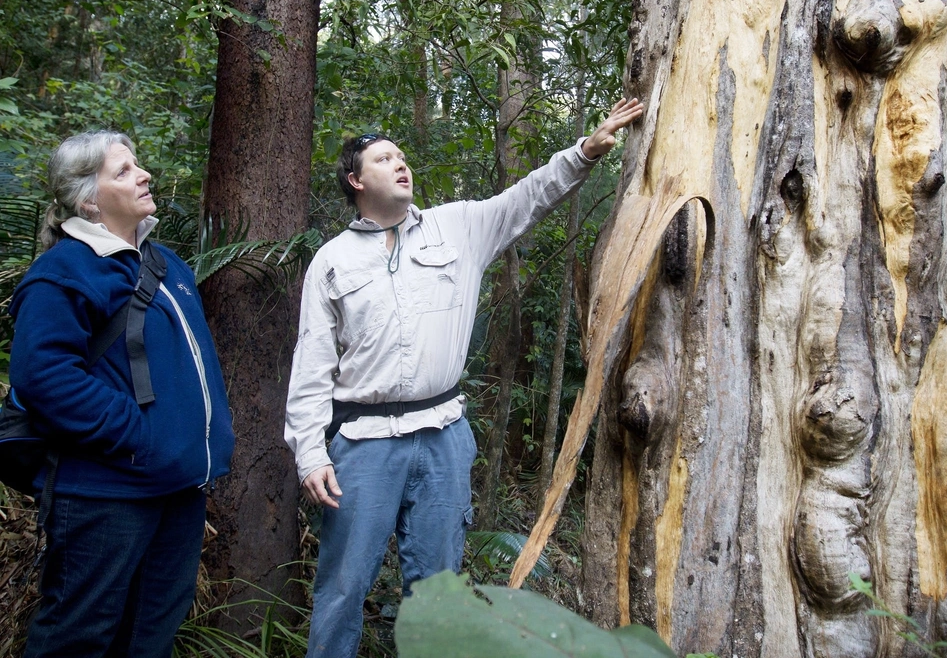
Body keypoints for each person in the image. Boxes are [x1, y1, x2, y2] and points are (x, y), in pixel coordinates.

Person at [285, 97, 644, 658]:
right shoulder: (331, 261)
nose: (400, 163)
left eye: (402, 156)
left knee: (438, 591)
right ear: (355, 181)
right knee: (341, 589)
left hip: (442, 439)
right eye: (383, 159)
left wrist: (585, 151)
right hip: (362, 444)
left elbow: (528, 198)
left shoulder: (458, 228)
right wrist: (310, 452)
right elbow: (311, 365)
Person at [8, 131, 236, 658]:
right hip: (105, 492)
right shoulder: (65, 271)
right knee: (79, 635)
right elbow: (43, 377)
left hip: (178, 488)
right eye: (124, 171)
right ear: (89, 198)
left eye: (138, 165)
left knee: (150, 633)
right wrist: (140, 435)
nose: (144, 175)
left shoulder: (169, 266)